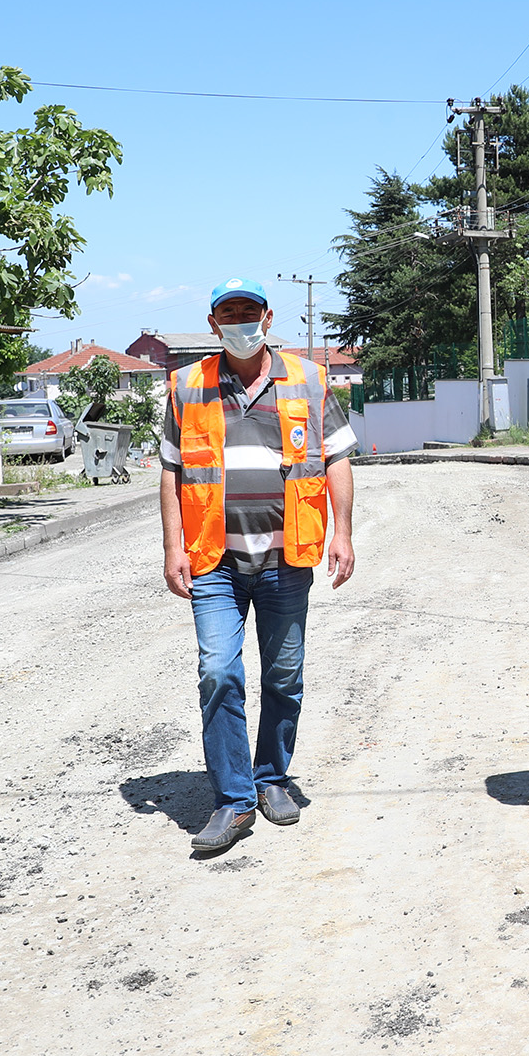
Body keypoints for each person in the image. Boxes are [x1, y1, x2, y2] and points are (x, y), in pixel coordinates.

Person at [159, 278, 356, 852]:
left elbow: (337, 458)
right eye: (229, 312)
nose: (240, 320)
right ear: (214, 321)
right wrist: (173, 547)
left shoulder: (308, 378)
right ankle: (233, 799)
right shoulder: (186, 384)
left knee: (283, 675)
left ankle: (271, 777)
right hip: (212, 559)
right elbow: (171, 472)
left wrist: (342, 532)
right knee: (219, 671)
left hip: (286, 557)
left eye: (249, 311)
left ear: (268, 318)